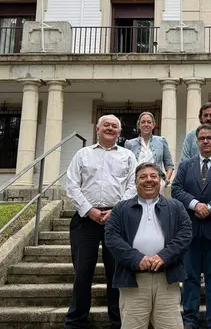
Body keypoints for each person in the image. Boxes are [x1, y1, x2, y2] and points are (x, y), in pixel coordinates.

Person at [63, 114, 138, 328]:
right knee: (83, 272)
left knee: (115, 272)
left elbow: (134, 184)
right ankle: (76, 321)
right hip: (85, 221)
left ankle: (117, 320)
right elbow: (72, 185)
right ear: (97, 128)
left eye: (115, 126)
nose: (110, 128)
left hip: (117, 221)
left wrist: (116, 210)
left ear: (119, 132)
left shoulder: (128, 155)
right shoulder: (82, 154)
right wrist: (89, 210)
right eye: (106, 124)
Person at [105, 162, 192, 329]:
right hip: (133, 280)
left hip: (167, 279)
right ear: (135, 182)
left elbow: (185, 234)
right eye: (143, 177)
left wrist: (164, 256)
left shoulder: (175, 206)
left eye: (153, 176)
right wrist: (137, 258)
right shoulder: (121, 209)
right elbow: (112, 238)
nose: (149, 180)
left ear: (161, 180)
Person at [171, 124, 211, 329]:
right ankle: (190, 319)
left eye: (209, 138)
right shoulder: (185, 166)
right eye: (202, 138)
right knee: (189, 277)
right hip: (190, 231)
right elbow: (176, 189)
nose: (206, 141)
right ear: (196, 141)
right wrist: (195, 205)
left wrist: (209, 207)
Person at [125, 112, 175, 193]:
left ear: (153, 125)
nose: (146, 124)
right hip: (136, 184)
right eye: (143, 122)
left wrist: (165, 181)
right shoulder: (129, 143)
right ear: (138, 125)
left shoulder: (161, 141)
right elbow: (126, 166)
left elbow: (169, 165)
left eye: (149, 122)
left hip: (156, 183)